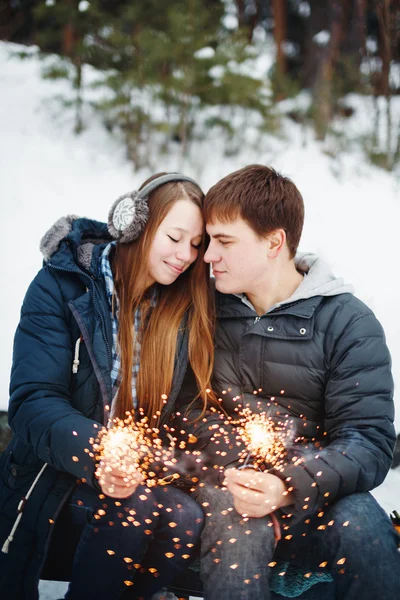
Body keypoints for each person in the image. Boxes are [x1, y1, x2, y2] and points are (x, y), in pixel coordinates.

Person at [0, 172, 229, 600]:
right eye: (175, 237)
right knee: (136, 507)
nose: (186, 255)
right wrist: (99, 452)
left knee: (183, 516)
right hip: (57, 475)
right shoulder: (61, 287)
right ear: (134, 224)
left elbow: (188, 411)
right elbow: (32, 401)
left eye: (196, 245)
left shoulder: (179, 307)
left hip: (132, 481)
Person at [195, 164, 400, 600]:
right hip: (227, 485)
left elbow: (368, 440)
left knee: (364, 531)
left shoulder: (349, 323)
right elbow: (184, 409)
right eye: (209, 240)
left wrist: (289, 485)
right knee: (237, 535)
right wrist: (237, 471)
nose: (209, 255)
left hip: (318, 490)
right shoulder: (202, 311)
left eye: (225, 241)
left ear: (274, 242)